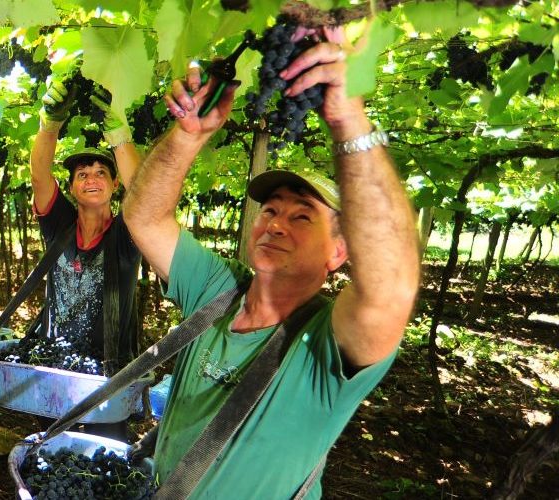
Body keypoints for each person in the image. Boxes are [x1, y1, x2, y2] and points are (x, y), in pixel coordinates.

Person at [123, 26, 420, 497]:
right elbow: (144, 218)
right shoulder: (219, 290)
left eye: (303, 216)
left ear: (340, 252)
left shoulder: (327, 345)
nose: (277, 224)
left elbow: (391, 287)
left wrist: (348, 120)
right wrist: (186, 138)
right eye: (271, 210)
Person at [25, 72, 145, 441]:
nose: (91, 177)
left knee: (101, 461)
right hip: (56, 370)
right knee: (54, 458)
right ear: (73, 187)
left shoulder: (126, 236)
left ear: (114, 185)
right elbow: (39, 175)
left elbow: (142, 193)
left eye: (100, 172)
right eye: (82, 174)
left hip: (108, 378)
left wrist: (119, 136)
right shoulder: (59, 224)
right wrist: (50, 124)